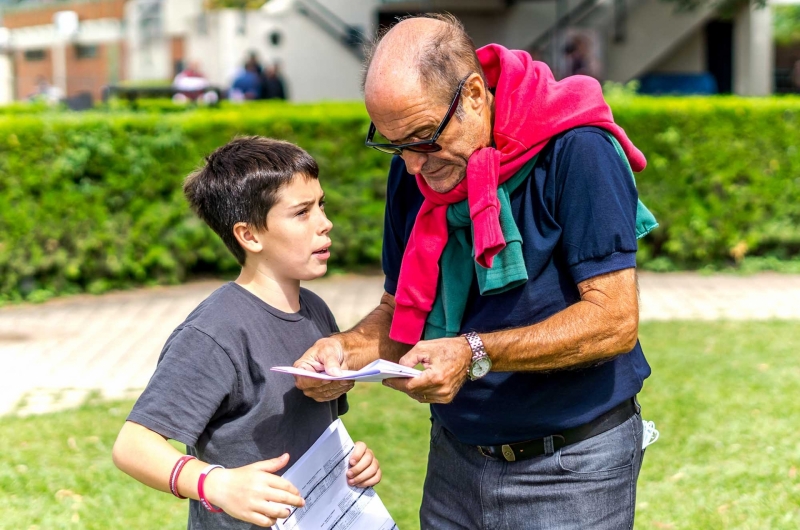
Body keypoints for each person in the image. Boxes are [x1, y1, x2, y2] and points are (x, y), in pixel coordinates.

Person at [293, 13, 656, 529]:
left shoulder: (577, 148)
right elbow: (399, 312)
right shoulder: (415, 172)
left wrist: (474, 352)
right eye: (395, 145)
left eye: (423, 138)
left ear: (473, 96)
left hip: (573, 465)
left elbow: (614, 320)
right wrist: (343, 352)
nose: (414, 166)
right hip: (457, 457)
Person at [112, 137, 382, 529]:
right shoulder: (215, 331)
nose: (326, 223)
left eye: (321, 205)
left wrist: (352, 464)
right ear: (250, 236)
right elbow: (132, 446)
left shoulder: (317, 313)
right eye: (302, 212)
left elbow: (314, 432)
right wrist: (215, 483)